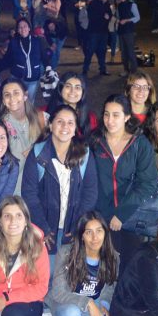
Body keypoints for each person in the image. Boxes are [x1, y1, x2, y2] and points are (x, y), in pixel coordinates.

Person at [22, 104, 98, 265]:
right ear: (50, 125)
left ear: (75, 128)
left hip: (72, 231)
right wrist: (42, 227)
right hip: (45, 230)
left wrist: (78, 223)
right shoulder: (37, 153)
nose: (65, 127)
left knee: (68, 273)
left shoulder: (84, 154)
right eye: (60, 122)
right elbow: (29, 194)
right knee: (46, 272)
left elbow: (90, 192)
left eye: (70, 123)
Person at [92, 95, 158, 258]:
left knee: (129, 262)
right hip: (99, 215)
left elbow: (148, 183)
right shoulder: (95, 142)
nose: (110, 120)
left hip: (131, 216)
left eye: (116, 115)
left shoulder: (140, 144)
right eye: (106, 114)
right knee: (101, 263)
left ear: (127, 117)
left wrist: (122, 214)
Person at [47, 212, 118, 316]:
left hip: (93, 301)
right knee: (72, 314)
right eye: (88, 232)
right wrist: (88, 302)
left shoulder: (113, 257)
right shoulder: (67, 253)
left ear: (105, 233)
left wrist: (104, 304)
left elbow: (110, 286)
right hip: (66, 302)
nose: (95, 237)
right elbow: (58, 292)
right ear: (81, 236)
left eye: (99, 231)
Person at [0, 78, 43, 193]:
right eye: (7, 95)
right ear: (3, 100)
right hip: (15, 188)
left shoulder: (41, 118)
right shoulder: (0, 127)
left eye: (16, 93)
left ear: (25, 95)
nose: (12, 98)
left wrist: (37, 148)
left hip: (40, 185)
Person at [0, 17, 45, 100]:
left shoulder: (37, 41)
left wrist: (49, 67)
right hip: (17, 78)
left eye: (25, 26)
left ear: (29, 28)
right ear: (18, 30)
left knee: (29, 101)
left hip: (33, 78)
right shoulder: (13, 42)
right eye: (20, 27)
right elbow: (7, 58)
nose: (23, 29)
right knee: (17, 100)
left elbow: (44, 56)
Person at [82, 0, 112, 76]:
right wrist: (103, 16)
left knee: (102, 51)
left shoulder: (107, 4)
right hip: (94, 31)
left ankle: (102, 69)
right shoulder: (93, 4)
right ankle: (85, 69)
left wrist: (108, 16)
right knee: (90, 50)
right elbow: (91, 16)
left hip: (104, 31)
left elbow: (109, 14)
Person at [115, 0, 140, 74]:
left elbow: (137, 17)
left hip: (129, 31)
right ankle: (126, 70)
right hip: (121, 30)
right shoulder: (119, 5)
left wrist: (126, 20)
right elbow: (119, 17)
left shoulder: (132, 4)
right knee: (123, 53)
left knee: (130, 52)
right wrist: (118, 20)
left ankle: (134, 72)